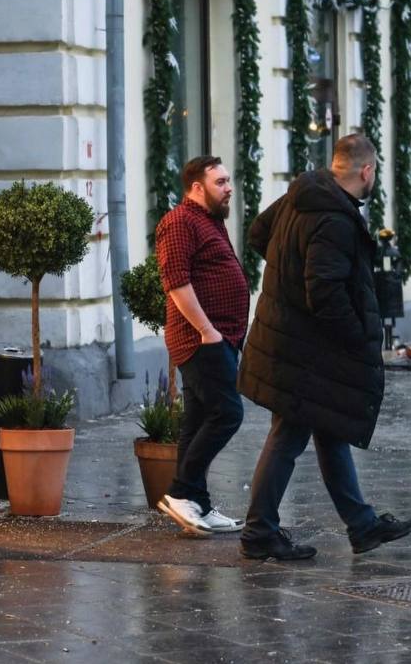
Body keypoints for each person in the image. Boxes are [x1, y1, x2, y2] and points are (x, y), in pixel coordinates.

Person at [237, 133, 411, 560]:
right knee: (289, 434)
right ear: (367, 171)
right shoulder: (335, 219)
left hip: (291, 339)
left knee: (330, 429)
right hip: (306, 347)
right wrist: (355, 336)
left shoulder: (302, 196)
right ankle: (259, 531)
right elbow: (324, 291)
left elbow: (258, 234)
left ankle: (362, 525)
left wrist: (287, 275)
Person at [154, 155, 250, 536]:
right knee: (228, 414)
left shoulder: (208, 221)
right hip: (202, 339)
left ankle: (198, 504)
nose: (229, 188)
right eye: (221, 182)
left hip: (219, 336)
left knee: (196, 421)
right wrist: (207, 331)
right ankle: (181, 493)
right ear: (197, 187)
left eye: (228, 180)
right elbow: (176, 281)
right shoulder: (178, 221)